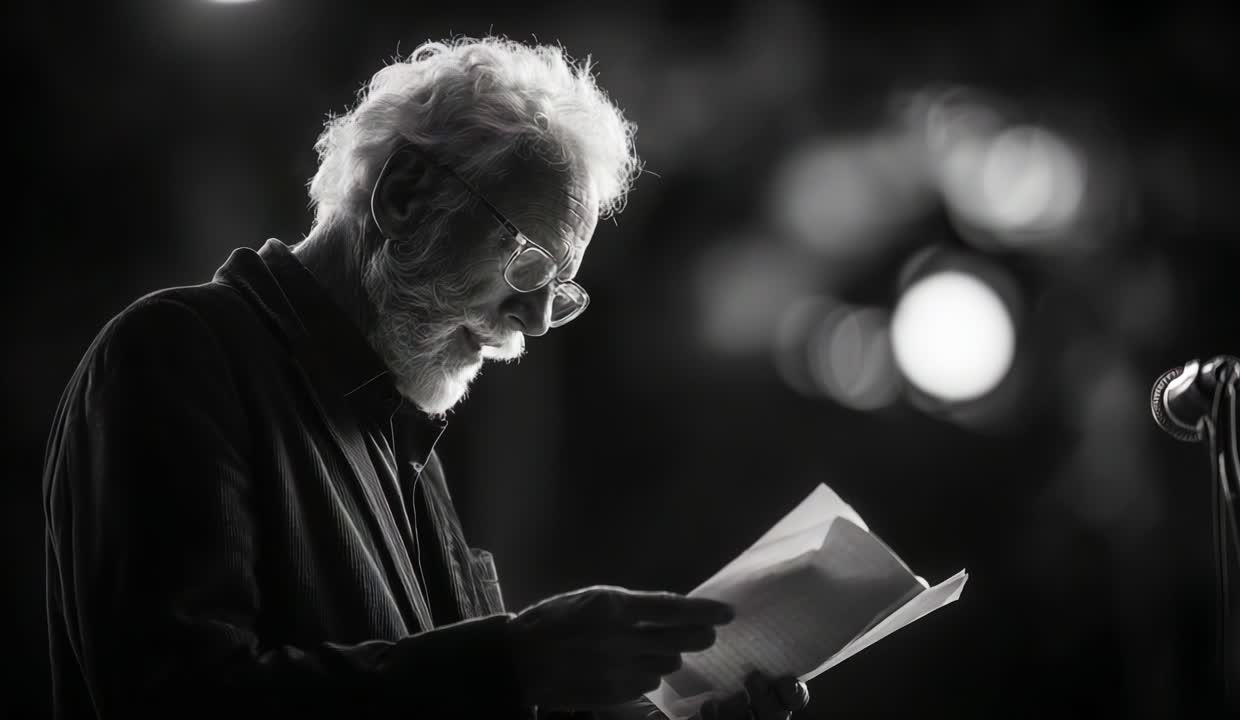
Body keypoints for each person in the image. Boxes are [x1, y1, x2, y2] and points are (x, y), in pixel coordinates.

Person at [42, 36, 811, 720]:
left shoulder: (405, 444)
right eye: (529, 264)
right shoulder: (177, 354)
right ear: (404, 193)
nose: (536, 320)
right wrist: (514, 663)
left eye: (560, 290)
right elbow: (177, 700)